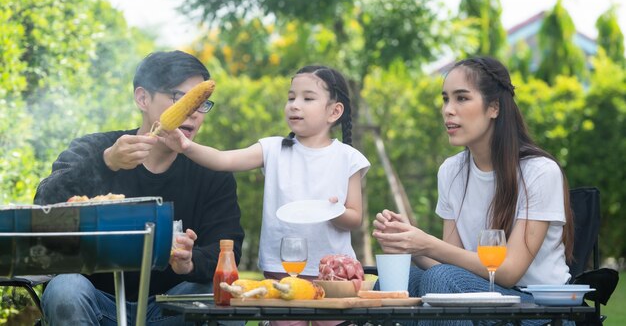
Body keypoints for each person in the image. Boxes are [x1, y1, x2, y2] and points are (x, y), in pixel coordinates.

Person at [34, 50, 245, 326]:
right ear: (143, 98)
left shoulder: (210, 170)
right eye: (178, 98)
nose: (192, 112)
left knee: (225, 297)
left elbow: (227, 248)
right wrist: (106, 162)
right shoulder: (96, 148)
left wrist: (191, 260)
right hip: (97, 302)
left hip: (171, 307)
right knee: (65, 289)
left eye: (201, 102)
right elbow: (45, 204)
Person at [373, 56, 574, 325]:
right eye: (445, 99)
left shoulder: (538, 172)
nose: (448, 109)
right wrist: (410, 244)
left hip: (538, 310)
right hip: (483, 293)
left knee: (440, 280)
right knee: (394, 283)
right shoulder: (452, 171)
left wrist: (428, 243)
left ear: (494, 108)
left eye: (462, 98)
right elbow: (449, 264)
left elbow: (509, 271)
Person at [161, 65, 370, 284]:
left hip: (335, 272)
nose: (294, 105)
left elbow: (355, 218)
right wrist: (185, 146)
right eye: (291, 98)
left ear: (334, 111)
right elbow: (224, 160)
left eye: (307, 99)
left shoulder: (348, 157)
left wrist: (333, 211)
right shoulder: (273, 149)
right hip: (282, 268)